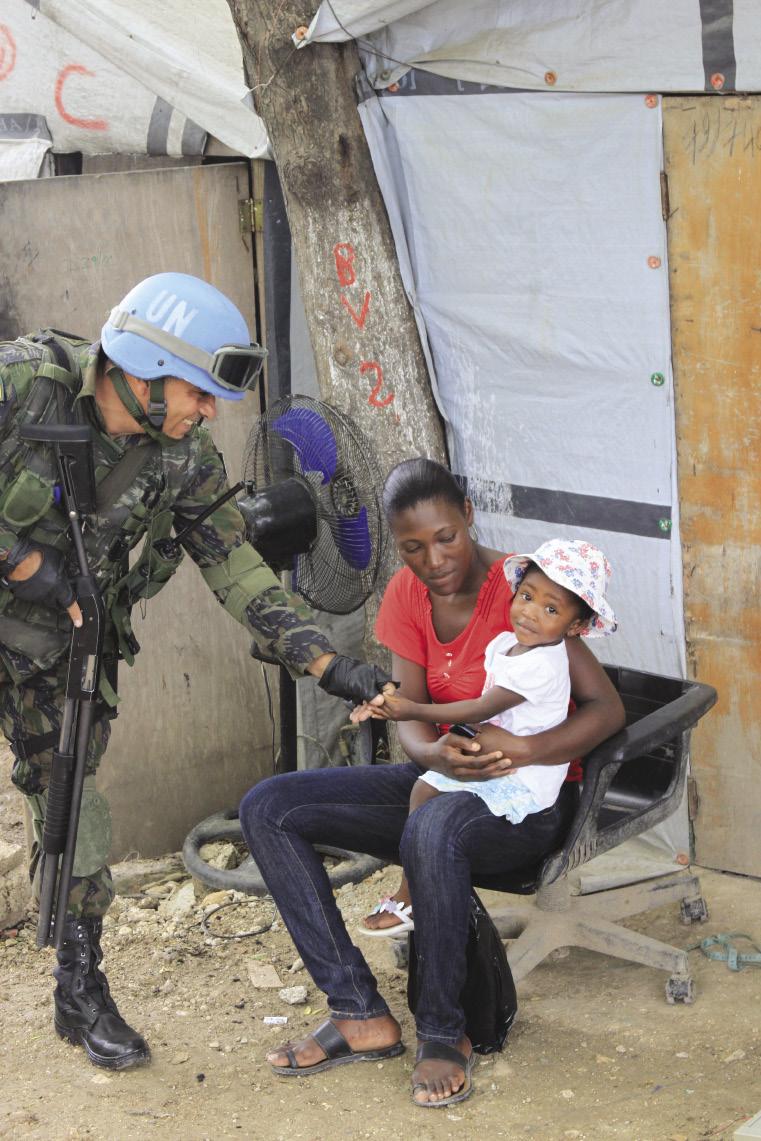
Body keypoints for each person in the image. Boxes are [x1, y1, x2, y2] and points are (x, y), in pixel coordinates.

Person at [0, 272, 392, 1072]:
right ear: (140, 368)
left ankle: (79, 988)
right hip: (27, 595)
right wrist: (19, 561)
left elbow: (235, 567)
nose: (210, 412)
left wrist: (325, 661)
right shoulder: (21, 387)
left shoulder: (186, 458)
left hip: (61, 650)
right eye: (200, 393)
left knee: (73, 810)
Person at [239, 457, 625, 1109]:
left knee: (434, 824)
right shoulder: (406, 595)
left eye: (445, 537)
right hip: (443, 780)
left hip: (524, 801)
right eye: (413, 546)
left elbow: (606, 708)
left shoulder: (527, 593)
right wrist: (439, 759)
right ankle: (359, 1011)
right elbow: (413, 728)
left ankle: (445, 1034)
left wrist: (525, 744)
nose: (434, 558)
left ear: (467, 517)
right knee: (268, 806)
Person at [357, 537, 617, 937]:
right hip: (500, 756)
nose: (530, 613)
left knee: (436, 817)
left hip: (528, 776)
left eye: (550, 609)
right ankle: (413, 894)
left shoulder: (543, 665)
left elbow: (481, 709)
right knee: (424, 791)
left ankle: (423, 905)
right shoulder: (505, 645)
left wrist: (411, 710)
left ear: (575, 626)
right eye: (526, 596)